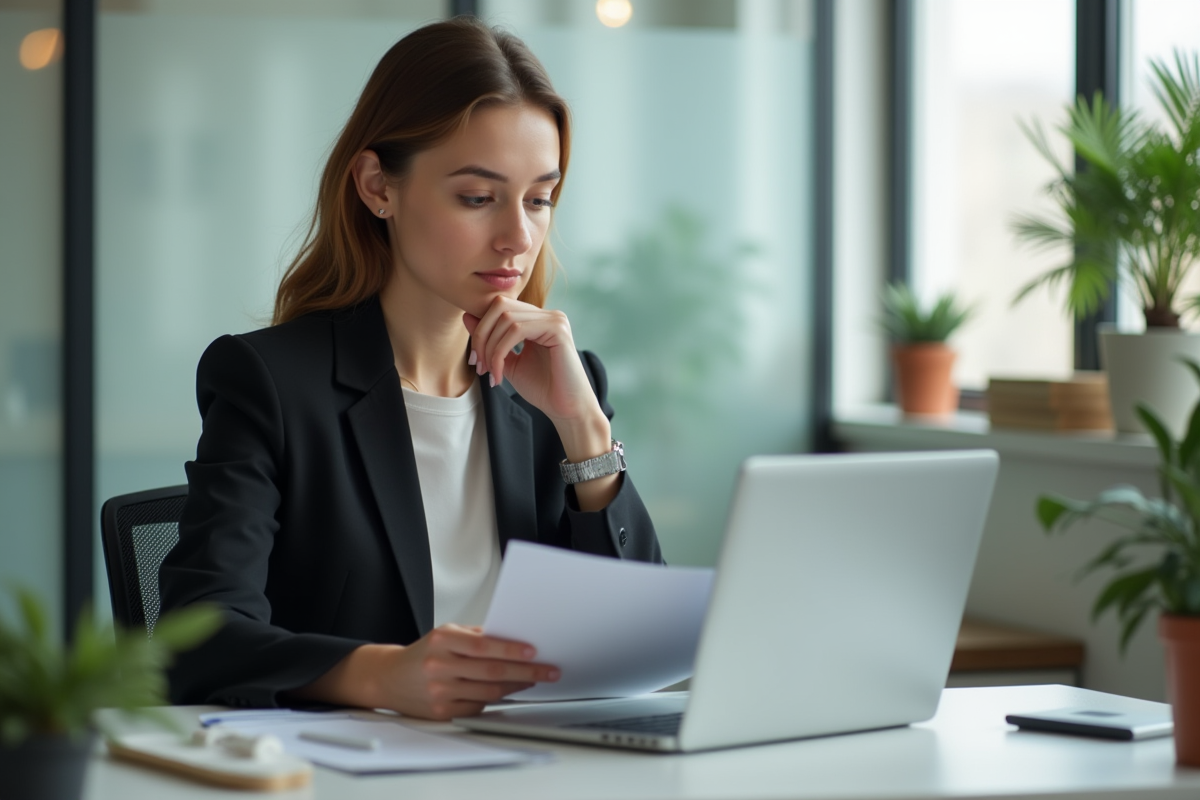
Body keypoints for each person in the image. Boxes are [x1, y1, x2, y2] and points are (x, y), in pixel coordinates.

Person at [159, 17, 663, 722]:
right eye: (477, 197)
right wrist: (383, 676)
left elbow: (641, 647)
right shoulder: (270, 383)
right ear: (378, 186)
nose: (518, 237)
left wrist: (585, 430)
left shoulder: (563, 388)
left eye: (540, 199)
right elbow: (199, 637)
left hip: (540, 762)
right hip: (347, 767)